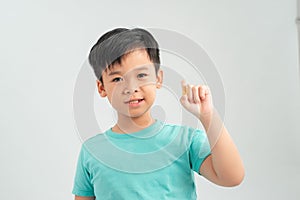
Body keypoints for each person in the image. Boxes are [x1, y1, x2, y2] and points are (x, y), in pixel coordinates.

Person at [72, 28, 244, 200]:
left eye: (141, 75)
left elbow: (232, 177)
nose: (131, 88)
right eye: (117, 79)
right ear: (102, 88)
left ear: (158, 79)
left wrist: (208, 116)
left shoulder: (184, 140)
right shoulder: (92, 151)